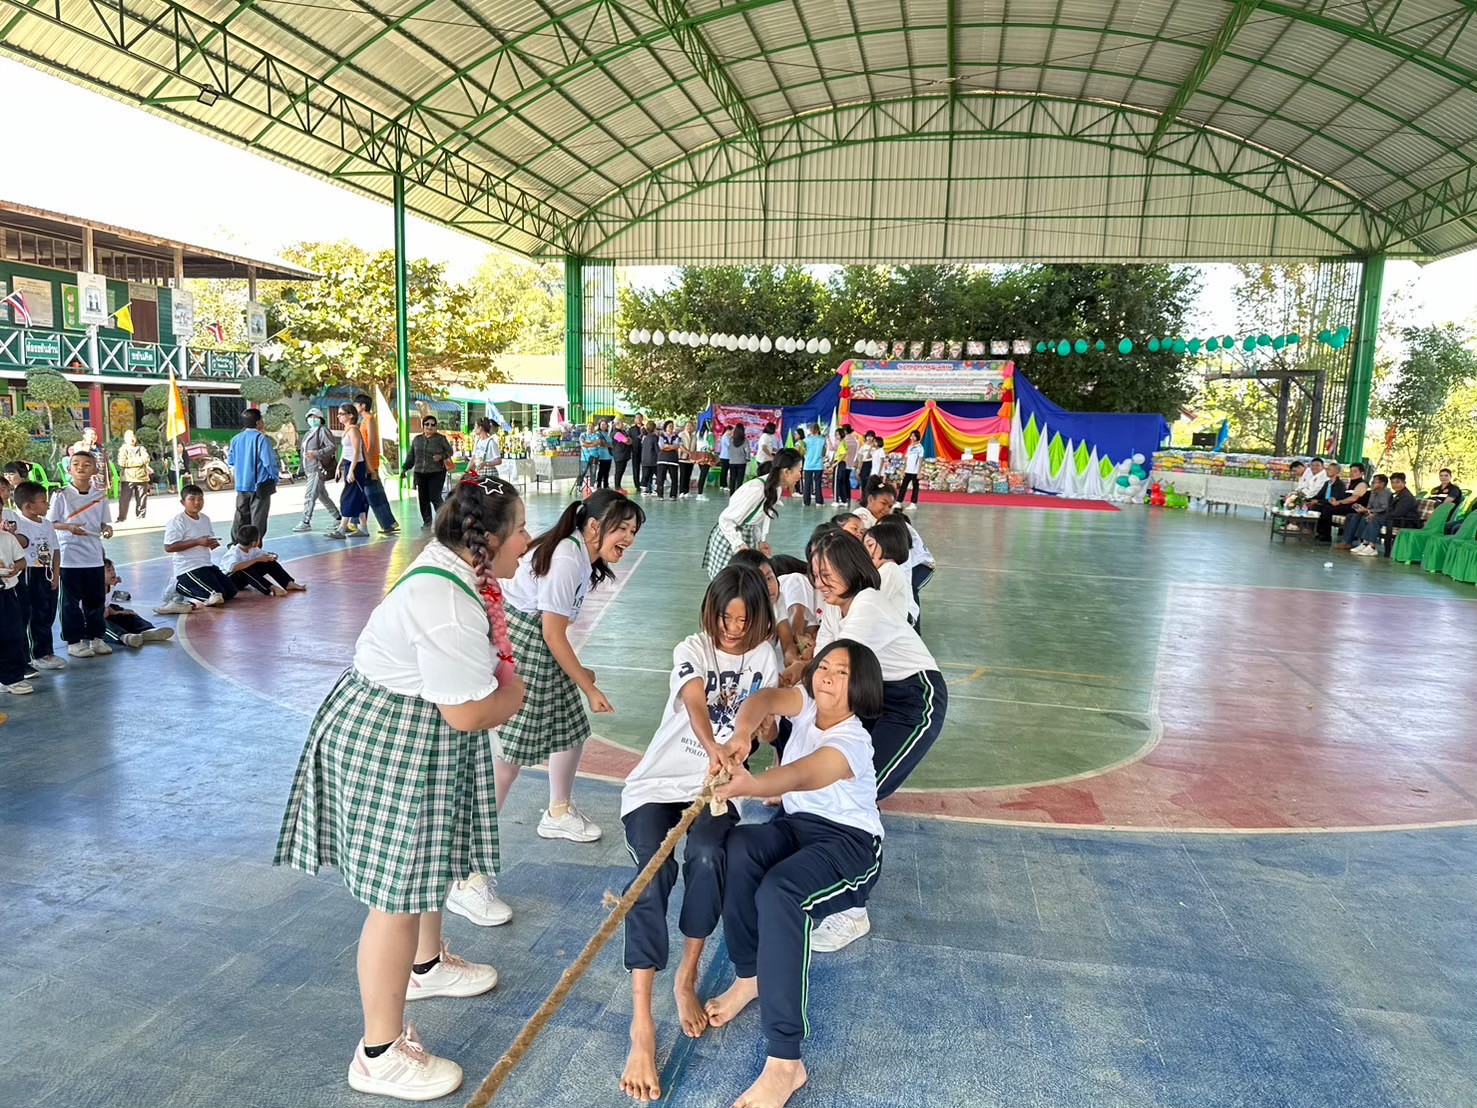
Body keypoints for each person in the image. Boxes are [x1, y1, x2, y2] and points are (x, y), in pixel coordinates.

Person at [276, 475, 529, 1102]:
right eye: (521, 529)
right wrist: (516, 694)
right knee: (396, 896)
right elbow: (468, 713)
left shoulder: (461, 572)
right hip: (393, 738)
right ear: (487, 541)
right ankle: (379, 1054)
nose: (528, 541)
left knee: (424, 868)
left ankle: (427, 965)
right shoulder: (447, 600)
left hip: (413, 729)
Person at [617, 565, 780, 1103]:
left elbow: (764, 717)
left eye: (744, 620)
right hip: (659, 784)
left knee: (710, 856)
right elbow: (693, 701)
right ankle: (642, 1023)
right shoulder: (693, 647)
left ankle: (685, 976)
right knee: (651, 875)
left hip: (717, 788)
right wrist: (713, 746)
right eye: (725, 618)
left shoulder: (764, 655)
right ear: (711, 612)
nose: (733, 629)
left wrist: (756, 735)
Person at [447, 489, 646, 927]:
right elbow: (553, 635)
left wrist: (579, 675)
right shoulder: (568, 559)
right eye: (623, 529)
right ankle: (467, 876)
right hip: (528, 643)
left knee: (571, 729)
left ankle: (558, 811)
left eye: (634, 531)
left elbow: (555, 633)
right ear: (593, 526)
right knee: (509, 757)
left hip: (536, 640)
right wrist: (587, 685)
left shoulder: (581, 556)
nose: (629, 539)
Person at [703, 639, 887, 1108]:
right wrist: (742, 734)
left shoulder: (853, 741)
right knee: (739, 847)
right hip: (797, 826)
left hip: (849, 845)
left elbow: (803, 774)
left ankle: (786, 1063)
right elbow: (764, 699)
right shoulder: (806, 706)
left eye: (842, 673)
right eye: (825, 666)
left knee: (781, 893)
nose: (827, 676)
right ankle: (750, 976)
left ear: (860, 687)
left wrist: (752, 784)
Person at [802, 528, 948, 951]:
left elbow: (828, 674)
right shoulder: (837, 608)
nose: (820, 582)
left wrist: (777, 696)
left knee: (859, 792)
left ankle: (852, 911)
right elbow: (818, 672)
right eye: (815, 574)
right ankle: (830, 878)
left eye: (827, 573)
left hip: (913, 702)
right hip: (874, 700)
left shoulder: (866, 604)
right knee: (832, 784)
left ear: (851, 568)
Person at [47, 452, 114, 659]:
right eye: (76, 464)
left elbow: (103, 522)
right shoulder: (61, 495)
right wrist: (68, 527)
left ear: (95, 469)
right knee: (70, 603)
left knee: (95, 601)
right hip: (69, 557)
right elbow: (51, 523)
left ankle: (96, 638)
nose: (81, 468)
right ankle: (74, 642)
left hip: (93, 557)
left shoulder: (100, 496)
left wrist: (107, 528)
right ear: (69, 469)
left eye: (86, 464)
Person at [702, 448, 803, 578]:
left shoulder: (775, 489)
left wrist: (760, 540)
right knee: (728, 581)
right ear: (787, 472)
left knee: (744, 580)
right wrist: (739, 544)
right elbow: (725, 519)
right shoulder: (757, 489)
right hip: (729, 538)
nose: (800, 475)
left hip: (746, 537)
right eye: (799, 470)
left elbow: (754, 519)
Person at [12, 482, 64, 671]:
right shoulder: (19, 524)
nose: (47, 505)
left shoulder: (47, 524)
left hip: (46, 571)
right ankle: (33, 655)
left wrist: (56, 574)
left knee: (47, 612)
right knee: (32, 613)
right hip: (29, 572)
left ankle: (45, 651)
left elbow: (55, 550)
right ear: (28, 506)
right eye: (43, 501)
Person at [164, 484, 236, 606]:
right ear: (183, 502)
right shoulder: (178, 521)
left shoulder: (205, 519)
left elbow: (208, 538)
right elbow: (168, 547)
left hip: (206, 564)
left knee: (231, 592)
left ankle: (198, 587)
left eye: (200, 499)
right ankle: (178, 586)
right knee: (216, 597)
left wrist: (212, 543)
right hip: (188, 567)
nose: (197, 502)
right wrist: (197, 542)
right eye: (192, 499)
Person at [227, 408, 281, 545]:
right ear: (258, 423)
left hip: (241, 485)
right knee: (258, 520)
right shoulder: (261, 439)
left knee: (241, 517)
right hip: (259, 485)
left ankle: (236, 545)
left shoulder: (235, 439)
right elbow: (268, 462)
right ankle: (255, 546)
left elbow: (231, 461)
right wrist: (275, 478)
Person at [354, 393, 401, 535]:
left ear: (363, 406)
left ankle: (358, 523)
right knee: (368, 494)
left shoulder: (369, 420)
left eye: (356, 404)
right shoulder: (365, 420)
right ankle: (359, 523)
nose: (355, 407)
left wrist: (367, 463)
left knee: (371, 494)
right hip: (367, 462)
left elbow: (372, 443)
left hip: (369, 463)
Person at [102, 560, 175, 649]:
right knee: (100, 624)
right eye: (108, 571)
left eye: (113, 569)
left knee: (129, 615)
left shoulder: (110, 585)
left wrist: (115, 612)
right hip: (90, 620)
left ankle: (147, 630)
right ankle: (124, 637)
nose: (113, 573)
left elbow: (106, 604)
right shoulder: (92, 590)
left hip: (105, 612)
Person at [220, 524, 308, 595]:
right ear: (254, 543)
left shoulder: (253, 549)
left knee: (268, 561)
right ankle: (271, 588)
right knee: (243, 568)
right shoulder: (233, 553)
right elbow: (233, 567)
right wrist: (256, 559)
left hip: (246, 579)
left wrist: (272, 556)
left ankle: (288, 583)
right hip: (232, 581)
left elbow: (265, 555)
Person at [294, 407, 343, 534]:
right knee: (322, 495)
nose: (312, 419)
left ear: (321, 419)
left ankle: (306, 521)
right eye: (310, 417)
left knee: (310, 495)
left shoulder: (323, 431)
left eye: (315, 417)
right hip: (309, 468)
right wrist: (301, 468)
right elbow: (304, 452)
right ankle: (338, 518)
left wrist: (316, 453)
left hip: (317, 468)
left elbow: (332, 447)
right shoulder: (308, 433)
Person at [864, 518, 918, 624]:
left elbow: (869, 606)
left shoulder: (889, 570)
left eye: (870, 545)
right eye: (864, 547)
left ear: (887, 543)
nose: (866, 552)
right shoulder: (886, 570)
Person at [330, 404, 370, 540]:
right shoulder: (347, 430)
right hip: (349, 464)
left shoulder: (354, 430)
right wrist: (339, 466)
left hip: (356, 466)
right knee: (357, 497)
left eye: (341, 414)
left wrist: (352, 471)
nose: (338, 416)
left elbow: (356, 452)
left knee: (348, 497)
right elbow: (345, 451)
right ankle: (363, 528)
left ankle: (342, 529)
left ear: (350, 415)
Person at [409, 415, 455, 528]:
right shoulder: (417, 439)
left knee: (435, 496)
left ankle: (444, 520)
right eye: (427, 424)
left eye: (433, 425)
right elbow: (411, 455)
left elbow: (450, 451)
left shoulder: (441, 439)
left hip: (437, 472)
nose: (430, 427)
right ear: (423, 426)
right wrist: (405, 468)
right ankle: (427, 521)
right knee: (423, 498)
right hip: (420, 472)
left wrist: (441, 456)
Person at [1341, 474, 1393, 556]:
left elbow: (1384, 508)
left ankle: (1372, 547)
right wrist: (1362, 508)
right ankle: (1364, 543)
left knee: (1371, 519)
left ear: (1382, 484)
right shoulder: (1373, 492)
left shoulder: (1386, 493)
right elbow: (1369, 506)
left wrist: (1370, 512)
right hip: (1373, 513)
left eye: (1374, 482)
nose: (1372, 484)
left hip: (1382, 515)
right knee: (1361, 517)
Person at [1316, 462, 1364, 541]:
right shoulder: (1351, 483)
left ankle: (1326, 536)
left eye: (1355, 471)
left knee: (1327, 508)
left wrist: (1338, 502)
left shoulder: (1361, 484)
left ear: (1362, 473)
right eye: (1351, 471)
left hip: (1354, 509)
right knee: (1324, 507)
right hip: (1346, 506)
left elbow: (1353, 498)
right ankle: (1319, 532)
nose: (1351, 473)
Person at [115, 429, 153, 522]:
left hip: (142, 477)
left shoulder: (141, 448)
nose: (132, 439)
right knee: (124, 499)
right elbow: (122, 462)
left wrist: (131, 462)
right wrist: (139, 461)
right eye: (129, 437)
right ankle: (121, 518)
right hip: (128, 478)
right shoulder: (123, 449)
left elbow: (146, 459)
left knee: (142, 499)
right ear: (125, 439)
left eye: (133, 436)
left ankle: (141, 517)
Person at [801, 422, 826, 507]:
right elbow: (823, 453)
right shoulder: (822, 440)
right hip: (818, 464)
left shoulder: (805, 440)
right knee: (818, 483)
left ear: (810, 430)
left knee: (807, 483)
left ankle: (806, 502)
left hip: (808, 464)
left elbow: (803, 451)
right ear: (818, 430)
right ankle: (819, 501)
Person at [655, 420, 681, 500]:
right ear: (665, 427)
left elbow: (677, 447)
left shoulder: (676, 437)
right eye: (669, 426)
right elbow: (661, 447)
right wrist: (671, 446)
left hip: (673, 460)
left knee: (674, 478)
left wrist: (668, 446)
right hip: (662, 459)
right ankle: (660, 495)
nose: (671, 428)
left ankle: (673, 495)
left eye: (672, 426)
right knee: (660, 478)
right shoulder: (661, 436)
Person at [899, 430, 924, 509]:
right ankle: (899, 502)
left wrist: (919, 472)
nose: (912, 437)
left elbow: (920, 460)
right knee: (903, 487)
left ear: (917, 437)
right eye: (911, 436)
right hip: (907, 471)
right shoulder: (909, 447)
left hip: (915, 472)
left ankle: (913, 503)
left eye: (914, 436)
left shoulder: (920, 447)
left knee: (915, 487)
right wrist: (903, 470)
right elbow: (906, 459)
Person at [831, 424, 853, 506]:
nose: (836, 436)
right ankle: (844, 501)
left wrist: (836, 463)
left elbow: (843, 454)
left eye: (837, 434)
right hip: (842, 463)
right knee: (841, 482)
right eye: (835, 434)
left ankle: (836, 500)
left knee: (836, 482)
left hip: (840, 463)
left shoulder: (842, 443)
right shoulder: (843, 443)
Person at [726, 423, 751, 494]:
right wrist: (748, 458)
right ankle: (738, 494)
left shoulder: (731, 439)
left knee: (732, 479)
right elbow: (748, 450)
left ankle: (731, 494)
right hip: (741, 462)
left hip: (732, 461)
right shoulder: (745, 440)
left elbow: (729, 449)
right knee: (740, 480)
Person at [578, 420, 604, 489]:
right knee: (583, 471)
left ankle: (592, 486)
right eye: (589, 426)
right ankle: (579, 485)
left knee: (593, 472)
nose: (590, 428)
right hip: (585, 457)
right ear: (586, 427)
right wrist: (593, 443)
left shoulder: (597, 434)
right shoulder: (583, 435)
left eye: (592, 426)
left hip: (594, 456)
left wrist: (589, 443)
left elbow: (599, 442)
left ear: (594, 427)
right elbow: (583, 444)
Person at [610, 418, 632, 491]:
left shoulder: (623, 431)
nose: (623, 424)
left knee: (622, 470)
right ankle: (617, 487)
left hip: (624, 454)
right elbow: (625, 440)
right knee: (619, 471)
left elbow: (630, 440)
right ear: (618, 424)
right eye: (621, 422)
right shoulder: (615, 433)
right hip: (619, 454)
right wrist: (627, 440)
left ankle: (619, 485)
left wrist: (627, 440)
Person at [640, 421, 661, 494]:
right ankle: (656, 489)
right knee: (659, 475)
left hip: (645, 460)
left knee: (645, 476)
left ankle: (644, 490)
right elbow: (657, 449)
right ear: (654, 428)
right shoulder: (655, 438)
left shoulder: (644, 437)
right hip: (653, 460)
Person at [628, 415, 647, 494]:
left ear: (642, 419)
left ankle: (644, 483)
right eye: (637, 418)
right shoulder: (631, 429)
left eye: (640, 418)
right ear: (635, 419)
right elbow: (628, 439)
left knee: (645, 468)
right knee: (636, 469)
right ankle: (637, 485)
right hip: (635, 451)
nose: (638, 419)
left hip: (645, 451)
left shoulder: (646, 428)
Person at [596, 418, 614, 489]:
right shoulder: (598, 433)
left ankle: (606, 485)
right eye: (602, 424)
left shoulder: (608, 433)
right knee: (601, 471)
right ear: (599, 425)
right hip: (602, 455)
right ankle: (599, 485)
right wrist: (610, 446)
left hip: (609, 455)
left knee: (607, 471)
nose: (603, 426)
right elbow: (601, 444)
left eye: (605, 424)